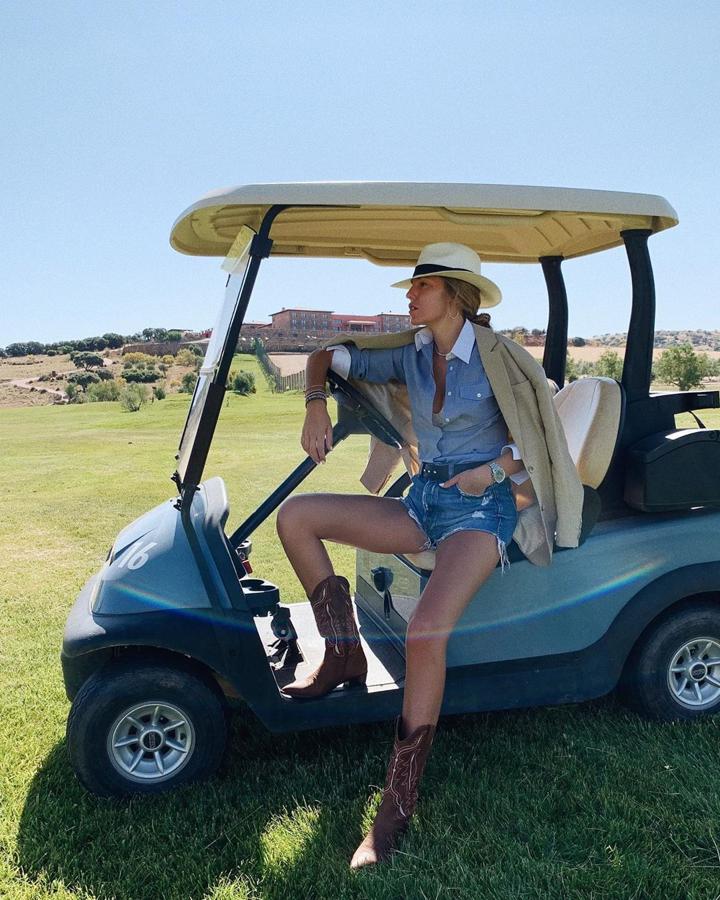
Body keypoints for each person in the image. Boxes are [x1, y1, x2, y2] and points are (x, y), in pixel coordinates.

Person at [276, 242, 583, 869]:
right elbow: (323, 355)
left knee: (424, 632)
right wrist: (314, 402)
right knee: (297, 517)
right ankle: (342, 656)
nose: (410, 298)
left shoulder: (502, 359)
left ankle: (395, 808)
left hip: (481, 511)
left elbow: (543, 439)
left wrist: (489, 473)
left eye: (422, 288)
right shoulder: (411, 351)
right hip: (422, 502)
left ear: (455, 294)